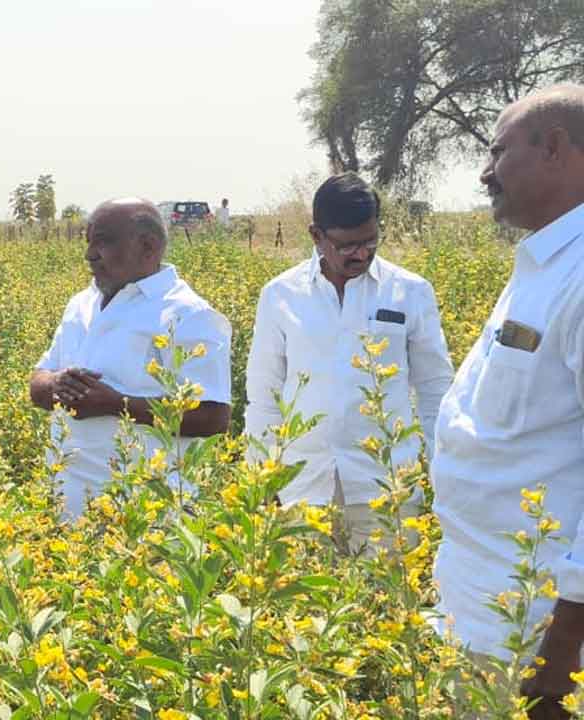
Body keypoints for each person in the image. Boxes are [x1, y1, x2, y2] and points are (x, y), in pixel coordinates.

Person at [431, 83, 584, 719]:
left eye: (498, 152)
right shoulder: (546, 264)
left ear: (553, 149)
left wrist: (563, 649)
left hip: (535, 630)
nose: (485, 172)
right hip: (483, 604)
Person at [245, 173, 453, 554]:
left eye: (369, 242)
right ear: (316, 236)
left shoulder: (410, 291)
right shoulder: (280, 295)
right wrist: (262, 479)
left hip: (385, 487)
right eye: (346, 245)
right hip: (302, 486)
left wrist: (445, 475)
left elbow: (435, 389)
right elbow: (263, 394)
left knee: (387, 606)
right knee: (303, 607)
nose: (360, 254)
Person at [29, 198, 232, 520]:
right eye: (88, 242)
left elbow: (213, 417)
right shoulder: (81, 304)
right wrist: (55, 384)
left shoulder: (187, 314)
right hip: (67, 503)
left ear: (148, 247)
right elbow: (38, 382)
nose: (89, 254)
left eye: (104, 242)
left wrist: (116, 404)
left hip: (147, 511)